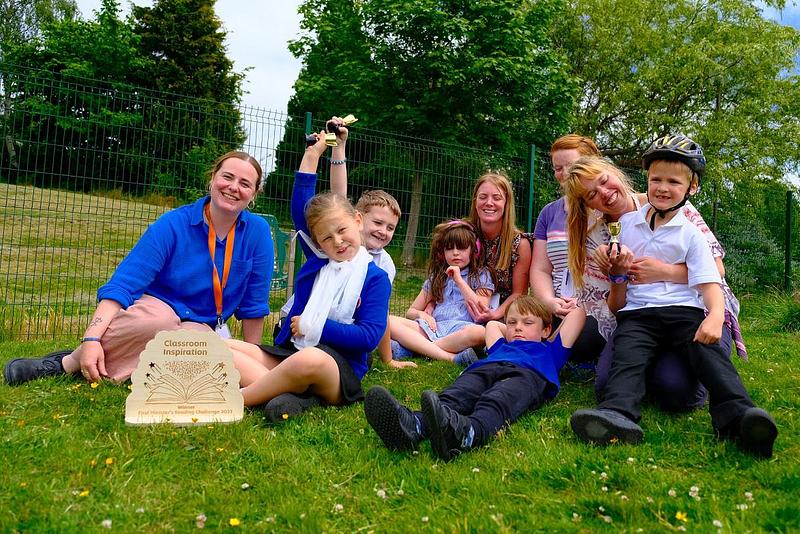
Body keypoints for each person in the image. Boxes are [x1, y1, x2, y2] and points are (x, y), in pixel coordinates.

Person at [570, 134, 777, 459]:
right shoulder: (623, 227)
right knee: (627, 356)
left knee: (708, 355)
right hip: (638, 314)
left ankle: (739, 415)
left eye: (672, 181)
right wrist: (618, 271)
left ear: (691, 188)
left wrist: (712, 316)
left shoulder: (691, 232)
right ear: (646, 180)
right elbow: (617, 293)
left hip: (686, 312)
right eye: (656, 180)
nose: (663, 187)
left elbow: (711, 281)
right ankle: (617, 414)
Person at [4, 151, 273, 385]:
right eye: (227, 177)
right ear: (212, 178)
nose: (233, 187)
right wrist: (91, 339)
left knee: (197, 348)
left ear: (254, 194)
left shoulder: (258, 233)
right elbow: (124, 284)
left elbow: (254, 305)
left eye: (245, 183)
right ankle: (68, 362)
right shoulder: (171, 225)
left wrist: (250, 355)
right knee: (158, 322)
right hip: (159, 308)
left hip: (202, 325)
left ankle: (106, 366)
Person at [224, 132, 391, 422]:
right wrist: (312, 155)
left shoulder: (374, 277)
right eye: (326, 238)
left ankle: (234, 401)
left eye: (342, 230)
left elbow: (368, 337)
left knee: (309, 360)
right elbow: (304, 208)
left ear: (357, 221)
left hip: (337, 369)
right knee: (222, 347)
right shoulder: (319, 263)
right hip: (292, 352)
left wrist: (315, 326)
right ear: (317, 243)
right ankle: (286, 393)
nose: (337, 241)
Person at [563, 153, 746, 408]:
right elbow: (615, 308)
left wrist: (664, 272)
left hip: (694, 309)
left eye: (604, 181)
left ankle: (691, 378)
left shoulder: (668, 199)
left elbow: (716, 269)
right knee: (606, 384)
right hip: (639, 318)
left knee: (677, 391)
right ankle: (642, 375)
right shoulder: (597, 240)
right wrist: (617, 275)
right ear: (587, 204)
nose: (603, 193)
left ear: (615, 172)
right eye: (591, 194)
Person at [364, 296, 586, 461]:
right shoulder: (500, 346)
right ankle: (414, 424)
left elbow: (578, 314)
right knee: (457, 394)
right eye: (512, 322)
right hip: (486, 367)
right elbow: (492, 325)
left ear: (546, 330)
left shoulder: (552, 350)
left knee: (498, 399)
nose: (518, 327)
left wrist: (548, 309)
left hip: (527, 375)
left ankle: (468, 433)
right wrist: (514, 326)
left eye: (528, 323)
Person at [325, 116, 409, 369]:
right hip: (314, 324)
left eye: (391, 227)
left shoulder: (384, 265)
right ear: (358, 220)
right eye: (378, 223)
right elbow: (338, 196)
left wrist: (389, 359)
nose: (383, 231)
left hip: (349, 337)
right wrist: (339, 148)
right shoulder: (343, 244)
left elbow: (379, 314)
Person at [530, 134, 606, 364]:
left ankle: (546, 355)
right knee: (519, 324)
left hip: (594, 306)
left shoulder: (606, 209)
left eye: (570, 166)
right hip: (556, 303)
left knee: (583, 341)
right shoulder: (548, 213)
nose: (563, 174)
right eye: (557, 168)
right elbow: (541, 269)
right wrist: (549, 302)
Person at [388, 220, 493, 366]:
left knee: (480, 333)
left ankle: (416, 348)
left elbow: (481, 309)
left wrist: (458, 280)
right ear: (442, 253)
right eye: (449, 249)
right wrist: (422, 314)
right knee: (388, 321)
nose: (455, 253)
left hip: (462, 330)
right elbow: (411, 312)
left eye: (461, 248)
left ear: (474, 250)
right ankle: (448, 356)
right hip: (434, 328)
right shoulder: (437, 277)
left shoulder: (481, 274)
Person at [466, 172, 532, 322]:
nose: (489, 203)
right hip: (462, 307)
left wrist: (494, 315)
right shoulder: (464, 235)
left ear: (506, 203)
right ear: (475, 202)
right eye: (483, 197)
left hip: (503, 315)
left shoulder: (520, 244)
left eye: (497, 198)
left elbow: (519, 293)